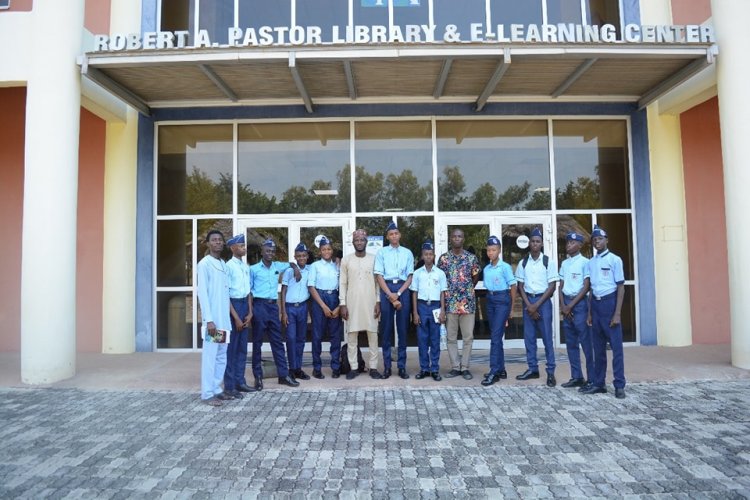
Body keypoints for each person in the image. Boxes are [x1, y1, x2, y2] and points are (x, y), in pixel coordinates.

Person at [248, 239, 300, 389]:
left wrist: (295, 268)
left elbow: (290, 263)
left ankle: (283, 375)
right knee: (257, 343)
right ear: (262, 252)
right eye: (267, 251)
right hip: (259, 306)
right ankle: (258, 376)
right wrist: (251, 311)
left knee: (277, 342)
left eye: (272, 251)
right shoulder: (254, 269)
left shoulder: (277, 266)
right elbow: (249, 293)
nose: (270, 253)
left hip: (272, 308)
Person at [582, 225, 627, 399]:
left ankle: (619, 385)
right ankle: (599, 383)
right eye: (594, 239)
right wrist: (589, 313)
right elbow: (591, 289)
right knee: (598, 349)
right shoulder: (591, 263)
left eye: (600, 239)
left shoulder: (615, 260)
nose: (597, 242)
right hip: (596, 305)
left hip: (610, 304)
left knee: (616, 348)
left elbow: (621, 288)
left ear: (606, 240)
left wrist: (617, 313)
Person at [515, 227, 559, 387]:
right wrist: (529, 306)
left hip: (543, 302)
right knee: (529, 339)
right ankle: (532, 369)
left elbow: (552, 286)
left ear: (541, 244)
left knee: (547, 338)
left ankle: (551, 372)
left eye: (538, 241)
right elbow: (520, 286)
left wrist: (536, 306)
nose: (535, 244)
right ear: (529, 244)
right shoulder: (523, 262)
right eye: (532, 241)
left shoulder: (548, 261)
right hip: (528, 302)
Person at [437, 228, 480, 380]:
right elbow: (440, 281)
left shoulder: (471, 258)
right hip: (450, 304)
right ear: (450, 239)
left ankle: (465, 367)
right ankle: (455, 367)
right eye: (454, 236)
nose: (457, 238)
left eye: (459, 236)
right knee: (451, 338)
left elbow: (475, 277)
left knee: (468, 337)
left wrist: (466, 289)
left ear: (463, 239)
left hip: (467, 304)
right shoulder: (443, 259)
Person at [339, 229, 382, 380]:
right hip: (352, 303)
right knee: (351, 336)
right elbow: (343, 283)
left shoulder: (374, 259)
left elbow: (378, 283)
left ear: (366, 242)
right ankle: (354, 367)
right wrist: (342, 304)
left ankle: (374, 367)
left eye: (362, 240)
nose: (359, 242)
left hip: (370, 303)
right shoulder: (346, 260)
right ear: (353, 242)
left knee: (373, 336)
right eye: (356, 240)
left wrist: (378, 301)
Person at [374, 221, 414, 379]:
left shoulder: (407, 253)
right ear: (387, 236)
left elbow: (410, 277)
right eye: (391, 234)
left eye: (396, 233)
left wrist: (398, 293)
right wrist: (390, 295)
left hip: (403, 289)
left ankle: (402, 366)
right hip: (386, 289)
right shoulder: (382, 253)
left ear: (400, 235)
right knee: (386, 331)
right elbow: (379, 276)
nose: (394, 236)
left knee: (403, 330)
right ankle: (387, 367)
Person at [196, 229, 232, 406]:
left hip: (224, 321)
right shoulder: (204, 264)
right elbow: (202, 294)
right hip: (213, 322)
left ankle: (217, 389)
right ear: (208, 244)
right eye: (214, 240)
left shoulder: (223, 264)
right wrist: (208, 319)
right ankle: (207, 393)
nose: (217, 242)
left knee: (221, 356)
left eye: (220, 240)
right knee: (210, 356)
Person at [558, 232, 594, 390]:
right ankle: (576, 376)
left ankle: (591, 378)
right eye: (567, 242)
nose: (568, 245)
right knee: (571, 343)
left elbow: (586, 286)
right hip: (566, 304)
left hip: (579, 305)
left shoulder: (586, 262)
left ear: (580, 245)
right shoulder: (564, 263)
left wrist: (570, 306)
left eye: (572, 243)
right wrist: (563, 306)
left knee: (586, 343)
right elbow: (560, 286)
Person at [480, 236, 517, 387]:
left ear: (499, 250)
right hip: (490, 300)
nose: (491, 253)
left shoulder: (505, 267)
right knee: (496, 336)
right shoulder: (486, 269)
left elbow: (513, 287)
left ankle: (493, 371)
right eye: (488, 250)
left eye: (493, 250)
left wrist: (512, 308)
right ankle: (501, 369)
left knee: (495, 337)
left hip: (502, 301)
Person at [223, 234, 256, 399]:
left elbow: (249, 291)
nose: (244, 248)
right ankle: (229, 386)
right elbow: (226, 295)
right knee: (232, 349)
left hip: (244, 305)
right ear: (232, 248)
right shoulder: (228, 266)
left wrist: (250, 312)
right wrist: (236, 317)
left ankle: (240, 381)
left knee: (242, 348)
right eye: (241, 245)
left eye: (244, 245)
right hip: (234, 307)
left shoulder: (245, 266)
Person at [410, 240, 447, 381]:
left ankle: (435, 369)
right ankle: (424, 368)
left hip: (436, 307)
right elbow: (414, 293)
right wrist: (415, 312)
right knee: (422, 340)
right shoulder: (418, 273)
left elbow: (443, 293)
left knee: (435, 340)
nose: (428, 256)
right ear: (422, 256)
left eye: (431, 254)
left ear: (434, 255)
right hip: (422, 306)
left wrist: (443, 310)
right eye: (426, 254)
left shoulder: (440, 273)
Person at [308, 236, 343, 379]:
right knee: (317, 335)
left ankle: (335, 366)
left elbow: (342, 286)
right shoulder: (315, 266)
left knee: (335, 336)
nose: (326, 251)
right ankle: (317, 368)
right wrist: (323, 306)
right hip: (319, 299)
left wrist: (339, 306)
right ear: (320, 251)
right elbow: (311, 286)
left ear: (332, 250)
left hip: (334, 297)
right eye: (324, 249)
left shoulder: (337, 266)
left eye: (329, 249)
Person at [281, 242, 311, 381]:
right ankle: (292, 369)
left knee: (301, 339)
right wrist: (283, 313)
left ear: (307, 256)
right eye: (298, 256)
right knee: (291, 338)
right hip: (290, 308)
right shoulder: (289, 270)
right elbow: (283, 291)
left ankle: (298, 368)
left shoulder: (311, 269)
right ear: (295, 256)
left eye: (304, 255)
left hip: (303, 307)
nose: (301, 258)